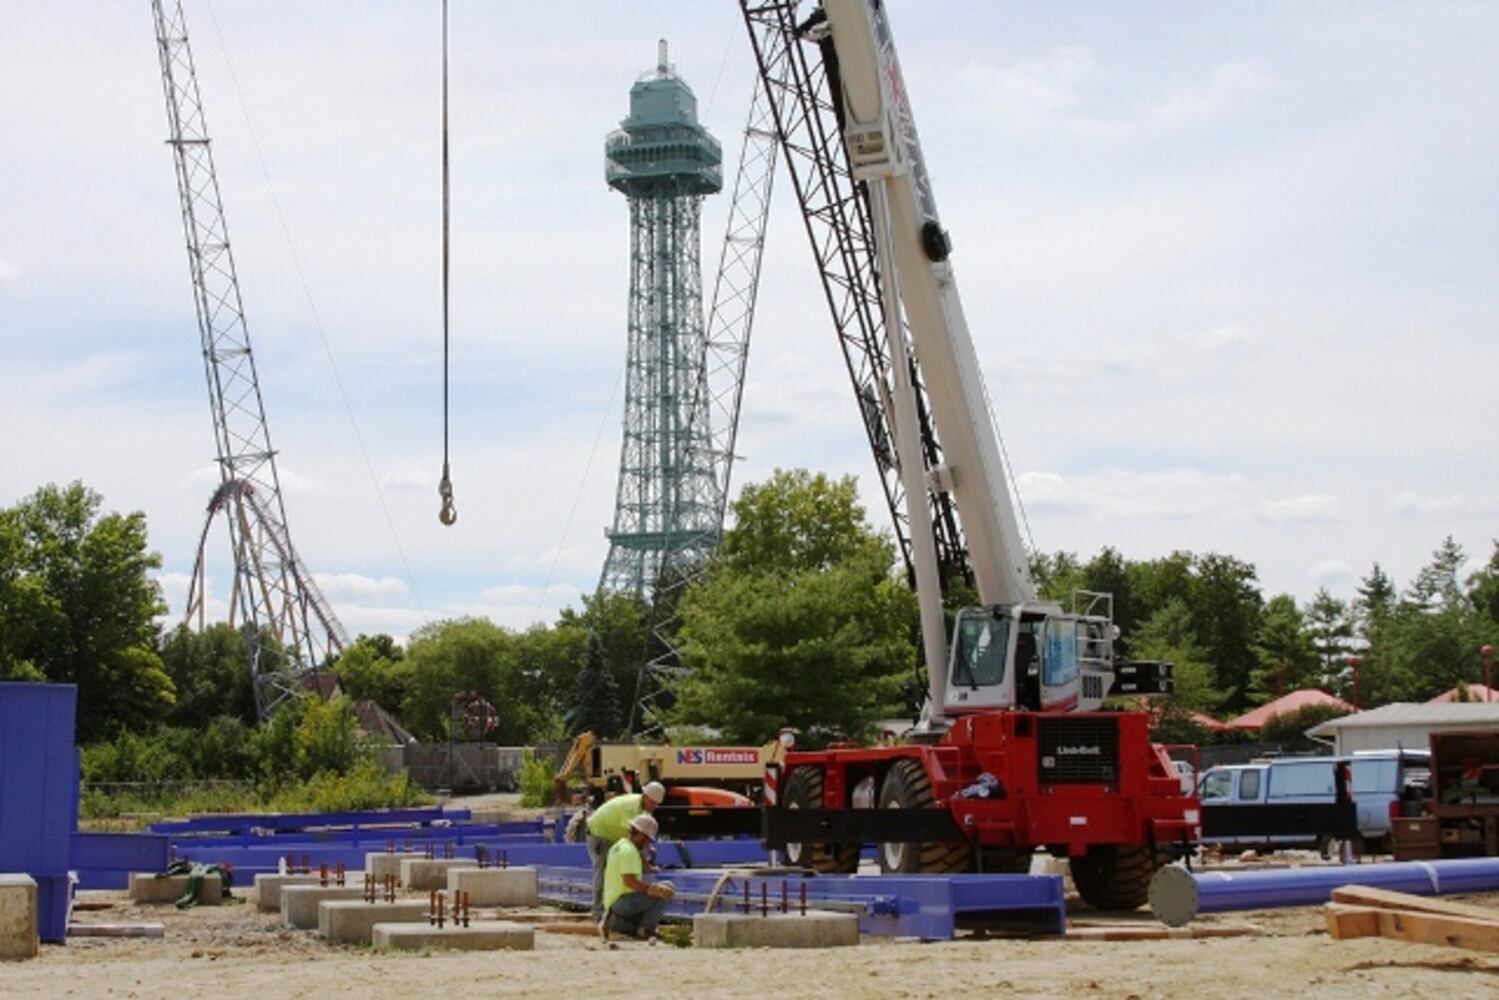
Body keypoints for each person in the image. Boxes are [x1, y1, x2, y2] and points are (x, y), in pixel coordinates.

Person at [586, 780, 666, 920]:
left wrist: (648, 847)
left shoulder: (643, 809)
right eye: (652, 803)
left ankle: (611, 911)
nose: (654, 807)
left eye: (656, 804)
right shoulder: (631, 809)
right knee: (603, 871)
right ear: (645, 796)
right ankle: (598, 912)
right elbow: (634, 841)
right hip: (600, 835)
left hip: (612, 834)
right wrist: (647, 866)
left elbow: (641, 836)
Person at [601, 813, 674, 940]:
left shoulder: (619, 846)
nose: (647, 844)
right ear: (640, 834)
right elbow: (630, 881)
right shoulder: (630, 852)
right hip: (623, 901)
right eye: (647, 839)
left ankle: (616, 924)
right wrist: (653, 889)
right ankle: (646, 929)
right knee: (666, 889)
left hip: (613, 902)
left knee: (633, 927)